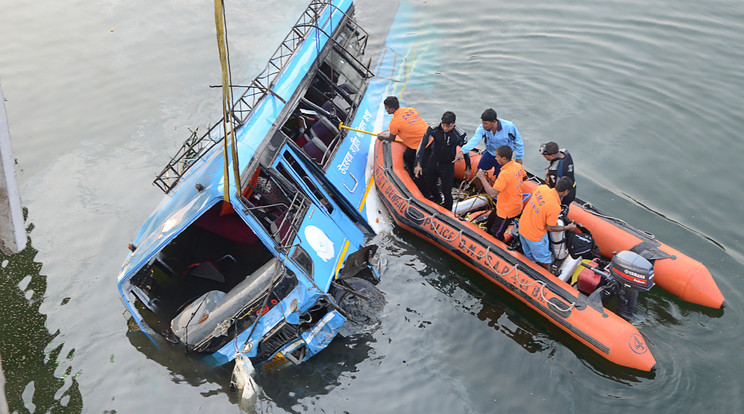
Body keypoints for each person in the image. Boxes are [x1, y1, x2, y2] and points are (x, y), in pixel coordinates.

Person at [413, 111, 470, 211]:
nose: (445, 128)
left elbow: (466, 151)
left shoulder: (460, 134)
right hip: (433, 161)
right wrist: (418, 164)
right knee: (429, 183)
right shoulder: (433, 128)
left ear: (454, 123)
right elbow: (422, 145)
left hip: (448, 164)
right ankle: (437, 199)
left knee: (447, 191)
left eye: (449, 126)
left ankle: (448, 211)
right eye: (444, 125)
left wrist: (468, 167)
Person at [518, 177, 577, 270]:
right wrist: (567, 227)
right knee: (545, 259)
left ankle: (528, 268)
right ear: (566, 192)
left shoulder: (542, 188)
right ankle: (547, 275)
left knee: (528, 254)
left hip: (522, 227)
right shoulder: (555, 207)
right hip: (534, 236)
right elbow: (550, 227)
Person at [473, 145, 526, 241]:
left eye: (497, 156)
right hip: (505, 204)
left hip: (508, 210)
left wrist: (481, 177)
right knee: (490, 224)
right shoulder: (518, 166)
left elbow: (493, 194)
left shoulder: (505, 174)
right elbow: (524, 176)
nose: (495, 158)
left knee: (496, 233)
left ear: (504, 159)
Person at [455, 108, 524, 179]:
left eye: (486, 123)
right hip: (490, 153)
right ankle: (479, 189)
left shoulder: (509, 127)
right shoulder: (482, 128)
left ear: (493, 122)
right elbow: (474, 140)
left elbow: (518, 142)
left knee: (501, 178)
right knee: (478, 172)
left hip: (503, 156)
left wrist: (519, 157)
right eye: (482, 122)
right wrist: (462, 151)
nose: (483, 125)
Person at [377, 96, 429, 176]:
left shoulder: (394, 123)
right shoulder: (411, 109)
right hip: (429, 137)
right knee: (407, 155)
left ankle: (414, 177)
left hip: (421, 145)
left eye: (386, 108)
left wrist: (382, 137)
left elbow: (392, 138)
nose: (385, 109)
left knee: (410, 160)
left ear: (392, 109)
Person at [540, 142, 576, 206]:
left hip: (564, 195)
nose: (544, 157)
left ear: (552, 155)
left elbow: (555, 190)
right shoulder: (565, 152)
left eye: (545, 156)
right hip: (572, 186)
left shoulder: (554, 171)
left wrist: (547, 177)